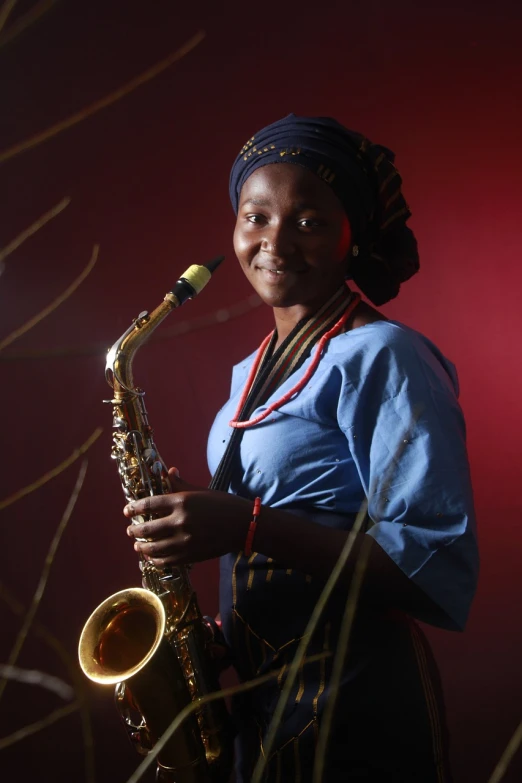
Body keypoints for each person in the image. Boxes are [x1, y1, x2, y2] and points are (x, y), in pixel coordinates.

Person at [124, 114, 479, 782]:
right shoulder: (245, 375)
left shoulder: (386, 355)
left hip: (357, 700)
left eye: (309, 220)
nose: (274, 241)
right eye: (255, 216)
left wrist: (242, 523)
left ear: (353, 237)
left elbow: (436, 562)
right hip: (265, 697)